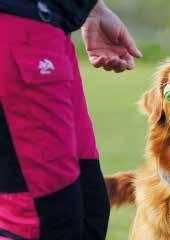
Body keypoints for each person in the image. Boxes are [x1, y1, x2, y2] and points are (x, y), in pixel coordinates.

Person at [0, 0, 142, 239]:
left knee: (90, 207)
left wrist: (91, 8)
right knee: (41, 220)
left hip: (52, 25)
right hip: (16, 25)